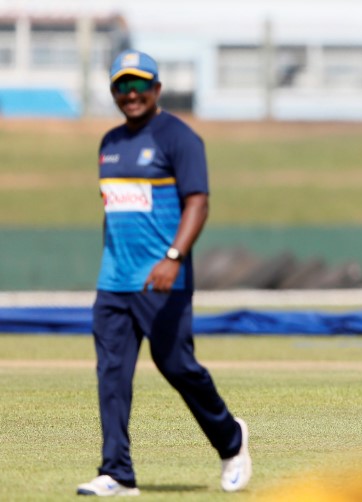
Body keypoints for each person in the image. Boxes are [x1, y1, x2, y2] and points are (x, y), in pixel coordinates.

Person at [77, 50, 252, 495]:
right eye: (122, 87)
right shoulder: (110, 143)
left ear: (156, 89)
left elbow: (199, 202)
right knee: (112, 373)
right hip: (115, 282)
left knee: (177, 366)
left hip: (163, 279)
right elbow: (114, 213)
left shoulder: (180, 138)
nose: (131, 95)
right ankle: (117, 472)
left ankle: (232, 440)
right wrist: (110, 265)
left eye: (139, 86)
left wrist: (173, 257)